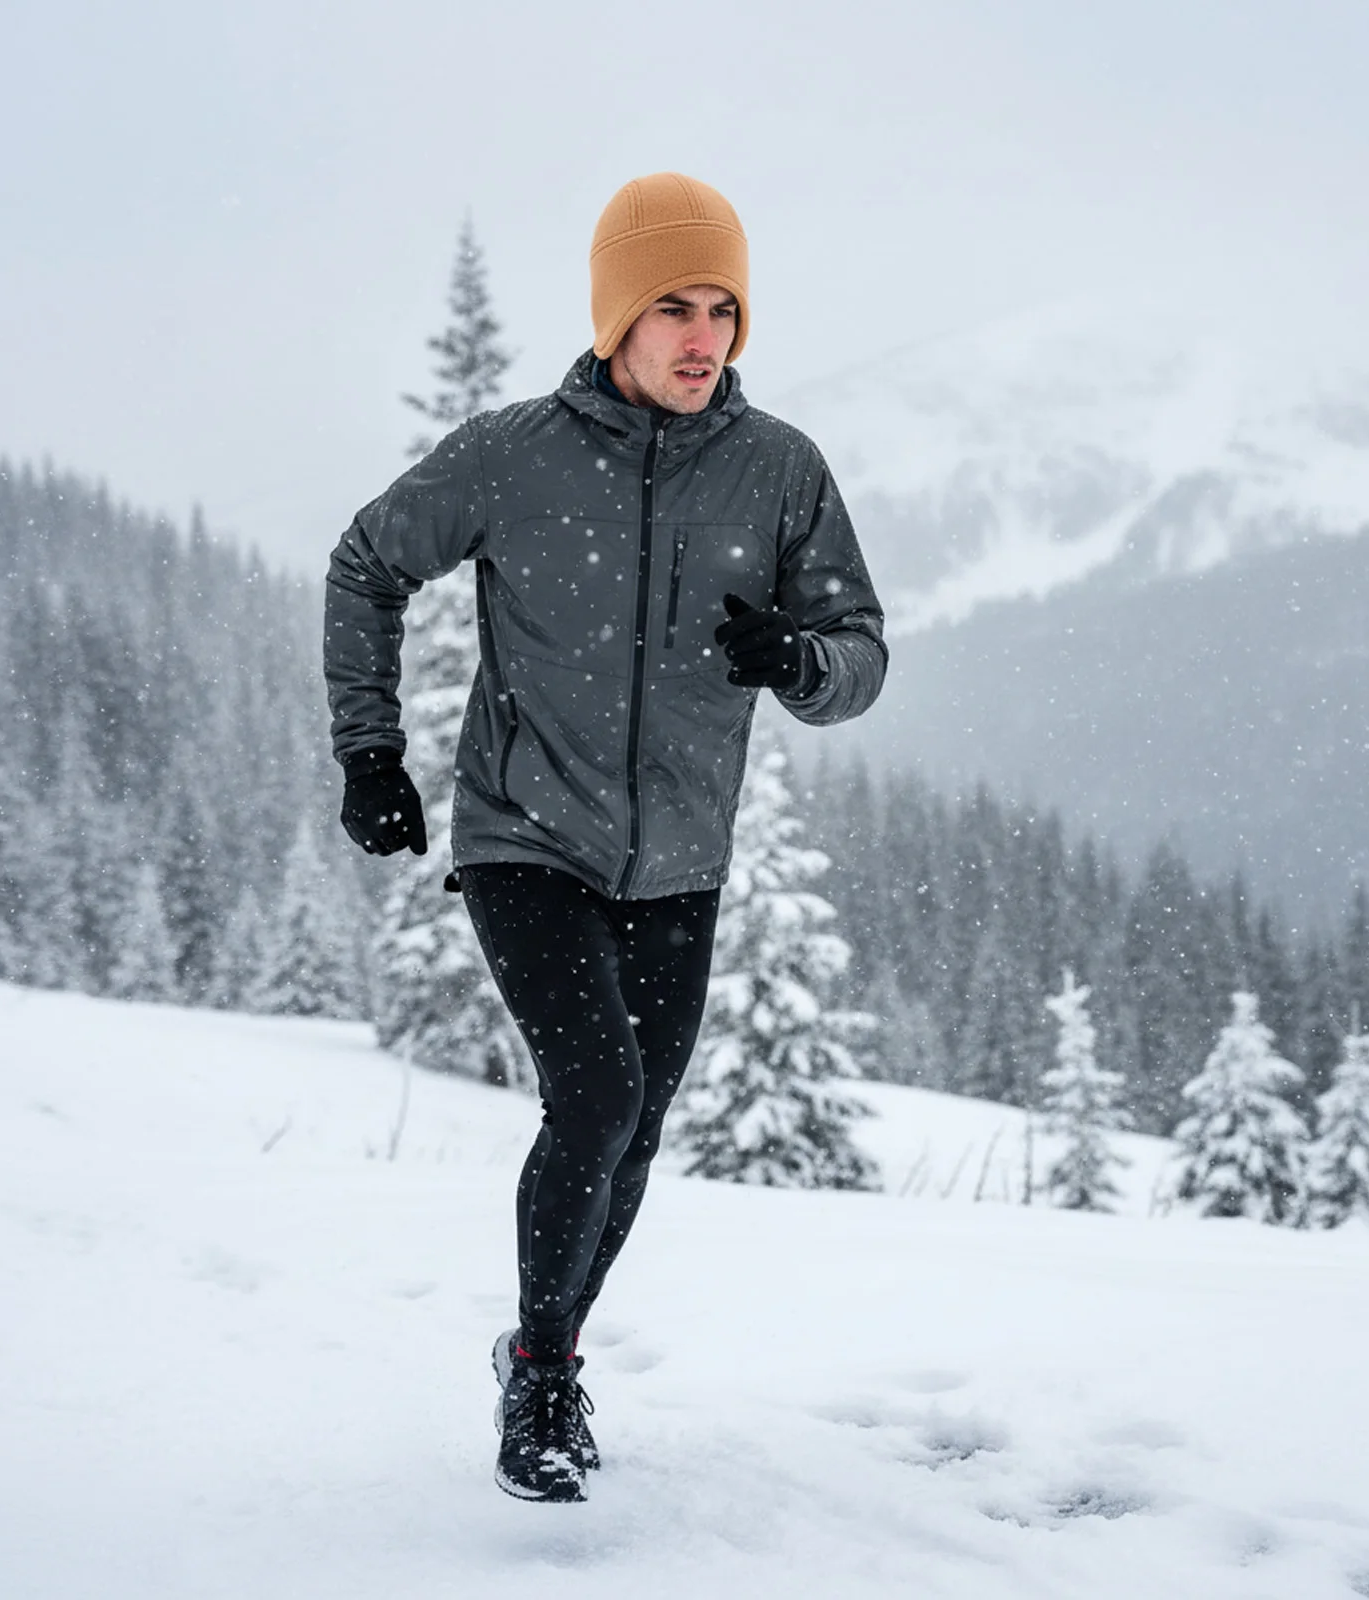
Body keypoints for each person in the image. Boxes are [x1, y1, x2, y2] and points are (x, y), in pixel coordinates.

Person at [323, 172, 886, 1503]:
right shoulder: (514, 453)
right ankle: (541, 1380)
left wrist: (803, 659)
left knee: (634, 1130)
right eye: (675, 308)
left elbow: (863, 653)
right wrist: (370, 751)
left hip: (681, 860)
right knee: (600, 1095)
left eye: (723, 311)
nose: (703, 337)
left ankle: (547, 1345)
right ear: (618, 316)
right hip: (529, 836)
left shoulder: (780, 469)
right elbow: (368, 560)